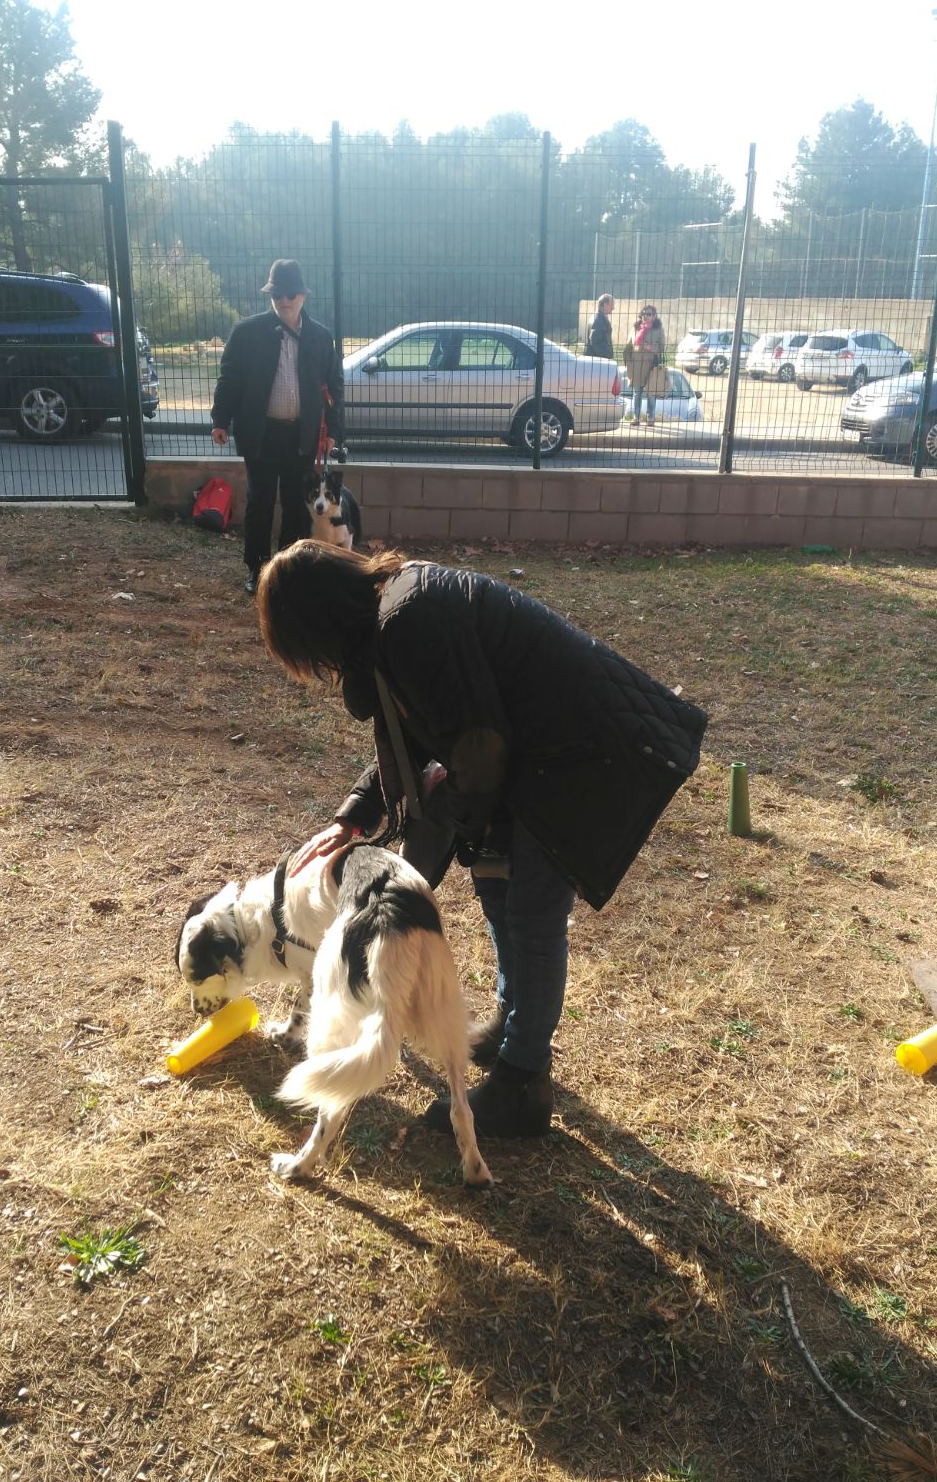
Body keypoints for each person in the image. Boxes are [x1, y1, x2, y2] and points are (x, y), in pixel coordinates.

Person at [256, 541, 707, 1139]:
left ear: (318, 624)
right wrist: (355, 816)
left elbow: (479, 746)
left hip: (578, 753)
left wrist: (459, 828)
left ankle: (523, 1082)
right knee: (499, 892)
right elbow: (419, 730)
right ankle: (512, 1025)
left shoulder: (408, 618)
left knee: (532, 912)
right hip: (535, 752)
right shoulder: (391, 618)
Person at [210, 259, 344, 595]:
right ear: (270, 295)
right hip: (262, 433)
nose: (285, 300)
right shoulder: (247, 333)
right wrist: (220, 419)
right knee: (260, 503)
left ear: (302, 295)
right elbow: (230, 379)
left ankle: (287, 569)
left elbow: (334, 387)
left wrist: (334, 434)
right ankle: (257, 569)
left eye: (291, 293)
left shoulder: (320, 337)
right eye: (277, 293)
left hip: (303, 435)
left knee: (297, 507)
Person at [625, 304, 666, 426]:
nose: (645, 316)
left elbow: (663, 347)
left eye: (648, 314)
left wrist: (651, 347)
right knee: (637, 393)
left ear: (654, 316)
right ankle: (636, 417)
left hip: (651, 366)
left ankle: (650, 418)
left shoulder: (659, 329)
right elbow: (628, 346)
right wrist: (628, 361)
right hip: (636, 366)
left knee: (651, 393)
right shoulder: (635, 328)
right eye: (643, 314)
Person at [585, 293, 615, 359]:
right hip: (598, 362)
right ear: (605, 305)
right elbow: (595, 343)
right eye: (612, 304)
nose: (613, 308)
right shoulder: (598, 320)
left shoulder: (599, 317)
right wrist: (607, 356)